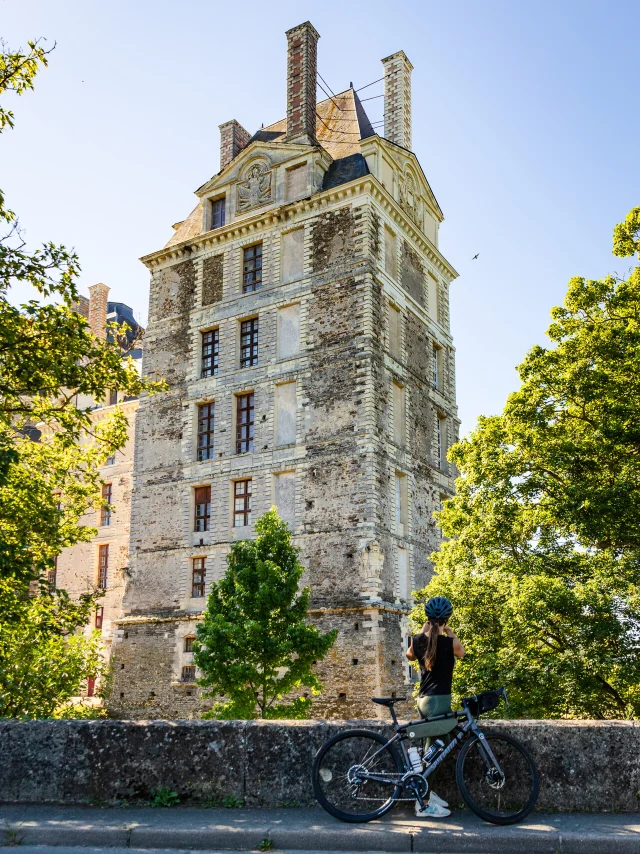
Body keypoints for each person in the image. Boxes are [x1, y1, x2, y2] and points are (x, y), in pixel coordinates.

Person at [406, 596, 465, 818]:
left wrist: (423, 630)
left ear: (428, 619)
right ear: (446, 619)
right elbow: (462, 652)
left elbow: (409, 654)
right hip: (438, 700)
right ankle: (422, 802)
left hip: (423, 700)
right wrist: (449, 632)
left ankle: (428, 792)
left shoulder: (419, 640)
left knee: (433, 747)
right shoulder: (449, 643)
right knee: (438, 748)